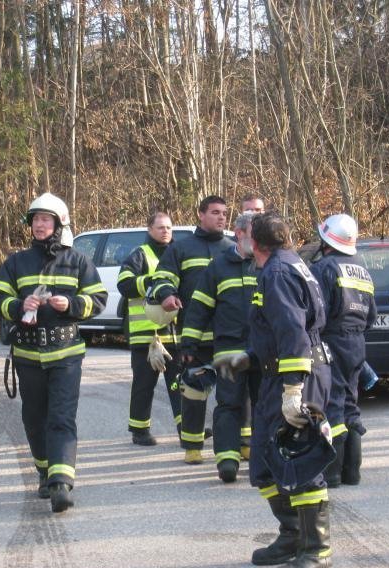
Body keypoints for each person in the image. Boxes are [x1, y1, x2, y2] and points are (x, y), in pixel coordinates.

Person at [216, 212, 333, 566]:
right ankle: (292, 535)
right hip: (277, 375)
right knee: (266, 464)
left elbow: (294, 334)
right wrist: (249, 358)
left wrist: (293, 391)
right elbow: (275, 331)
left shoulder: (279, 273)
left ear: (255, 242)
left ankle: (317, 548)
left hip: (297, 376)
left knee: (300, 462)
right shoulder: (284, 265)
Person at [0, 192, 107, 513]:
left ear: (58, 224)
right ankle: (44, 472)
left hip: (66, 354)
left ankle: (61, 483)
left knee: (61, 417)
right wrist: (16, 305)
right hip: (27, 356)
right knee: (34, 418)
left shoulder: (78, 261)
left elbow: (98, 299)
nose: (39, 225)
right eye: (35, 220)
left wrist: (71, 304)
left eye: (45, 220)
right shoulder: (15, 263)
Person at [150, 195, 234, 464]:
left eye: (224, 213)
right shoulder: (181, 249)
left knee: (234, 395)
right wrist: (166, 294)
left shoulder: (232, 249)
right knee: (194, 393)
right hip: (194, 337)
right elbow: (162, 277)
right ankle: (193, 447)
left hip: (228, 337)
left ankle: (240, 444)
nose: (221, 217)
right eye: (215, 212)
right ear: (200, 214)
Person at [182, 213, 260, 482]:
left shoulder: (268, 264)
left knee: (264, 405)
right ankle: (227, 459)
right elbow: (199, 307)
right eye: (254, 232)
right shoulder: (218, 267)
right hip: (229, 349)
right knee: (228, 404)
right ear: (239, 234)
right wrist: (189, 344)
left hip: (263, 350)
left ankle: (263, 457)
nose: (259, 239)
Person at [309, 214, 377, 487]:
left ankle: (333, 473)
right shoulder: (363, 270)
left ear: (326, 239)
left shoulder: (324, 268)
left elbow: (316, 311)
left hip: (331, 342)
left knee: (332, 403)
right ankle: (353, 472)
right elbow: (371, 316)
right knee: (350, 402)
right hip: (356, 343)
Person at [117, 211, 181, 446]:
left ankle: (187, 428)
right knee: (144, 385)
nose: (166, 231)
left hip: (174, 333)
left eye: (169, 228)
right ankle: (140, 430)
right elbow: (124, 284)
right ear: (149, 230)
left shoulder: (178, 253)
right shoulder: (140, 255)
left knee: (180, 383)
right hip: (146, 336)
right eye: (161, 227)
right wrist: (153, 282)